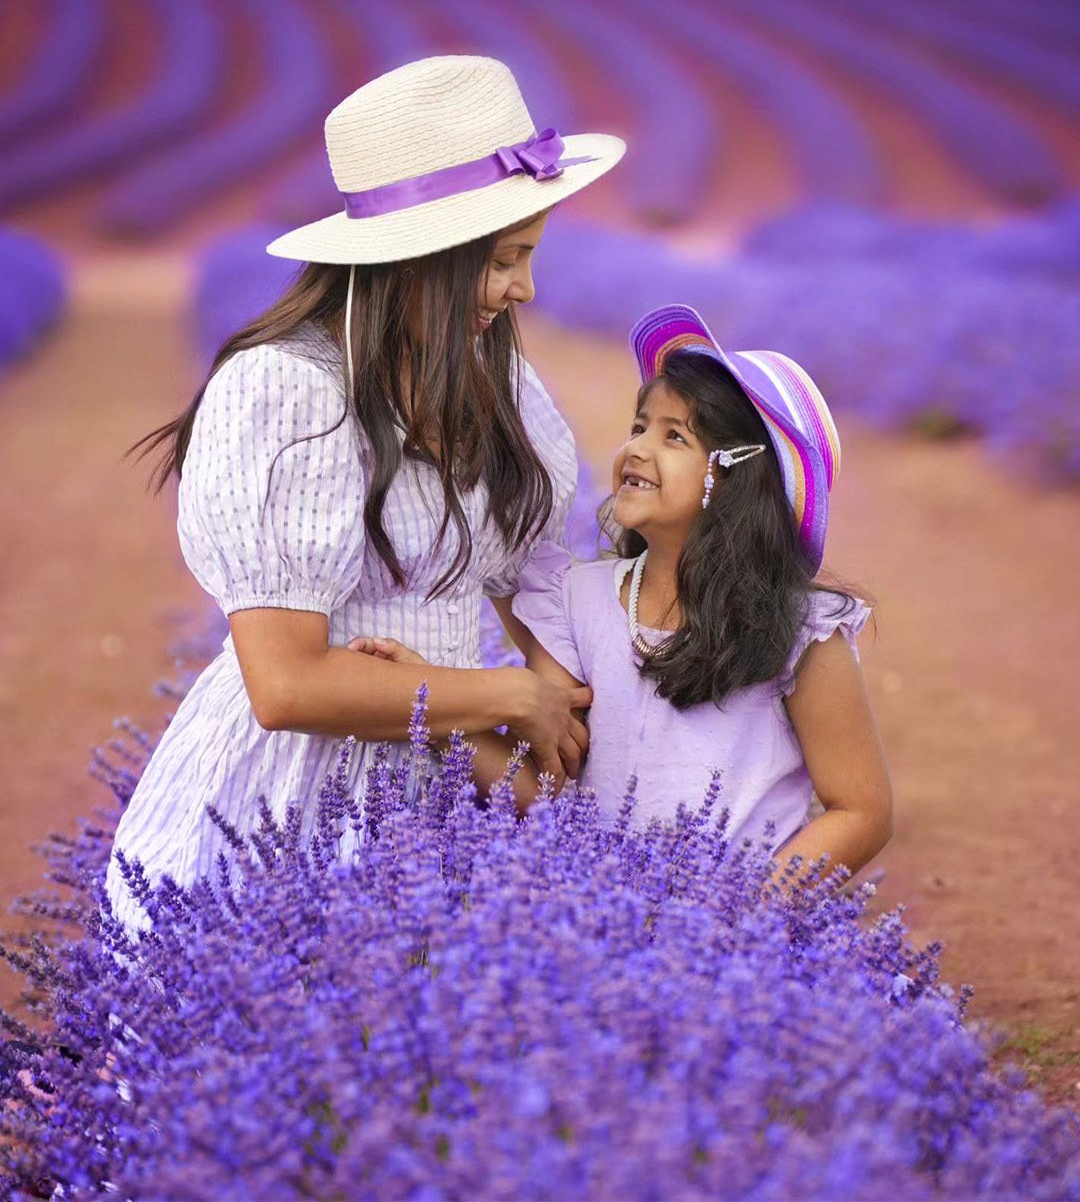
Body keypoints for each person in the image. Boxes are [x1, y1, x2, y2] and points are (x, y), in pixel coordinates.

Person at [104, 54, 625, 934]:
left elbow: (529, 584)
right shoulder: (287, 392)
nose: (525, 289)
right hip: (298, 801)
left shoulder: (499, 383)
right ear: (424, 260)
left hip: (460, 775)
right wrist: (503, 700)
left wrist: (560, 729)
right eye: (504, 261)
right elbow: (286, 688)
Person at [356, 303, 893, 892]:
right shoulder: (575, 600)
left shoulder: (798, 630)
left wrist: (747, 917)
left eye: (674, 437)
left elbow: (860, 809)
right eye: (639, 427)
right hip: (602, 925)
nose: (636, 449)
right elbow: (546, 788)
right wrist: (433, 707)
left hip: (727, 938)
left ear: (737, 478)